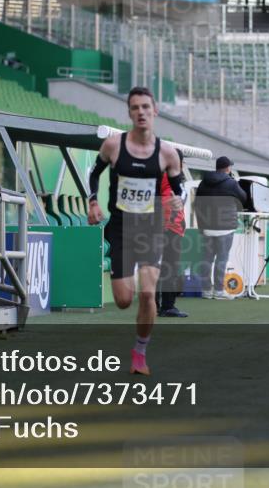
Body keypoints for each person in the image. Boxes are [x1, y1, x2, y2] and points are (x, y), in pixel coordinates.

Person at [87, 87, 184, 375]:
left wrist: (177, 201)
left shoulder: (168, 153)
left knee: (147, 294)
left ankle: (140, 352)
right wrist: (93, 201)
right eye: (135, 108)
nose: (140, 112)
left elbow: (177, 190)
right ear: (129, 113)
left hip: (151, 228)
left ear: (155, 111)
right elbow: (94, 174)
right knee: (123, 300)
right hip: (119, 228)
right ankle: (137, 339)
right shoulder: (113, 146)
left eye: (145, 107)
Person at [193, 155, 248, 300]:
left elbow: (197, 204)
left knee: (207, 259)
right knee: (221, 260)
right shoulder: (231, 183)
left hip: (207, 227)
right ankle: (218, 291)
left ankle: (206, 291)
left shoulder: (203, 183)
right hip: (225, 227)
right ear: (228, 168)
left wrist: (201, 226)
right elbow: (244, 198)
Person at [157, 151, 188, 317]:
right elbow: (168, 201)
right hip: (170, 229)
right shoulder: (171, 178)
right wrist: (168, 223)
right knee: (169, 268)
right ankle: (167, 306)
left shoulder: (161, 175)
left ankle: (154, 306)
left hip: (164, 227)